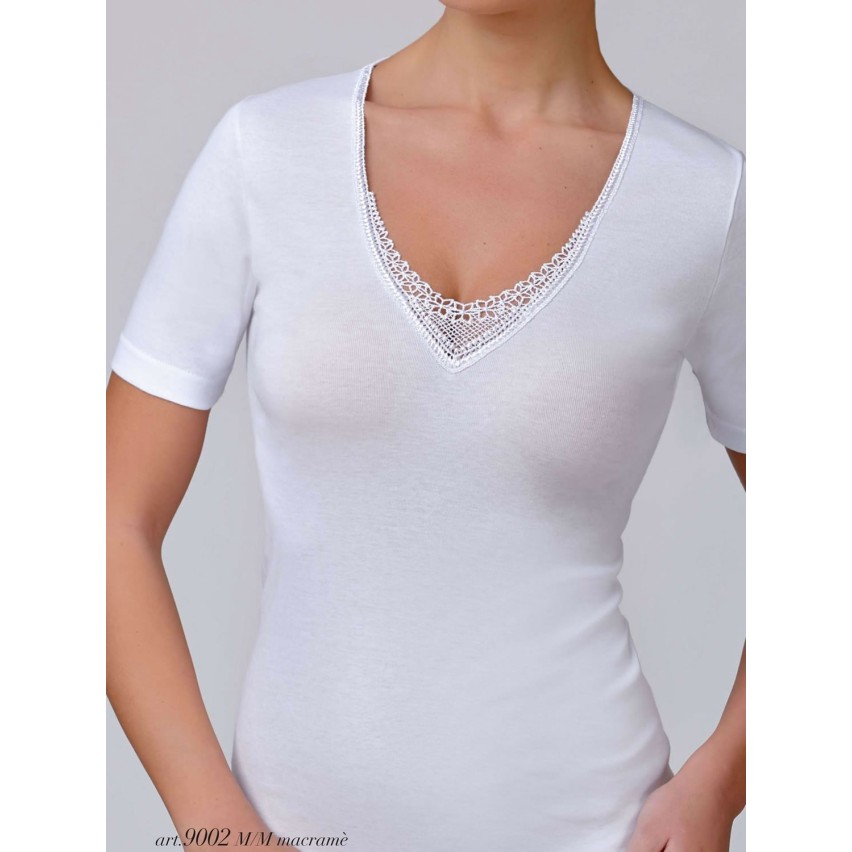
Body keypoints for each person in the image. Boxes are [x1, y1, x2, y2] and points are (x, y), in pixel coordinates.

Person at [106, 2, 746, 850]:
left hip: (596, 826)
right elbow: (107, 516)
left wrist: (718, 786)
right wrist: (212, 823)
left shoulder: (704, 197)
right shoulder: (269, 152)